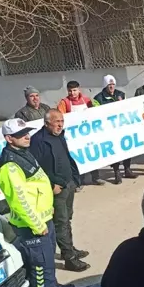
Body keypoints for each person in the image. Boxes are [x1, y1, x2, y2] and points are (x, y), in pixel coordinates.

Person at [0, 118, 57, 287]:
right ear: (9, 138)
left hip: (45, 220)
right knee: (41, 273)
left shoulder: (23, 152)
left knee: (48, 265)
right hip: (33, 228)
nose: (26, 136)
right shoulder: (10, 165)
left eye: (27, 132)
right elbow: (19, 202)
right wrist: (38, 225)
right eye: (20, 134)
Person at [29, 109, 90, 272]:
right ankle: (69, 258)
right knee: (60, 222)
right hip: (55, 189)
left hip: (68, 184)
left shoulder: (60, 136)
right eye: (57, 122)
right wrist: (51, 186)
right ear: (47, 123)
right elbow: (36, 169)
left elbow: (66, 157)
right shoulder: (38, 141)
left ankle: (68, 249)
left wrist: (75, 178)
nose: (60, 125)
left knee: (67, 218)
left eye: (62, 121)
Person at [57, 81, 105, 185]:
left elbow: (94, 113)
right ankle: (79, 181)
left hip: (88, 134)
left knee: (92, 155)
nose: (72, 93)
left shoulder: (87, 100)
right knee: (77, 159)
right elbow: (60, 117)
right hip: (74, 137)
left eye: (74, 90)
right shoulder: (64, 102)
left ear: (79, 89)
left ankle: (95, 177)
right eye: (70, 91)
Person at [95, 75, 137, 184]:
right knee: (114, 151)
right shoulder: (98, 98)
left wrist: (121, 104)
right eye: (109, 85)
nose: (111, 86)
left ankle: (127, 169)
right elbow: (97, 113)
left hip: (122, 127)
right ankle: (116, 171)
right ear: (105, 85)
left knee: (127, 148)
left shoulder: (121, 94)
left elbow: (127, 108)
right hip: (109, 129)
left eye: (113, 84)